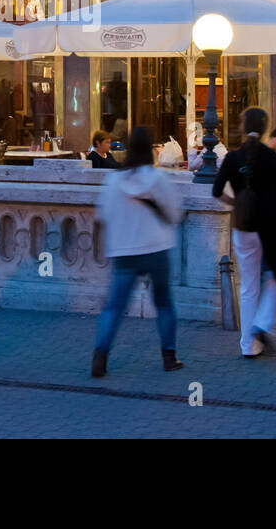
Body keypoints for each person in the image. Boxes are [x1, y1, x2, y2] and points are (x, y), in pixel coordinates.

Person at [90, 126, 186, 377]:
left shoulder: (113, 180)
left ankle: (100, 356)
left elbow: (103, 216)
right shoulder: (159, 179)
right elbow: (175, 214)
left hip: (124, 251)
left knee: (114, 306)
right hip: (156, 248)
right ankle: (169, 356)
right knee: (163, 303)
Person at [213, 107, 276, 359]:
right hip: (270, 228)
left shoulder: (232, 158)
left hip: (244, 228)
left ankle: (247, 345)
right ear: (264, 128)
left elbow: (216, 191)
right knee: (275, 276)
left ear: (242, 127)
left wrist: (236, 203)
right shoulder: (273, 158)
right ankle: (262, 323)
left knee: (249, 287)